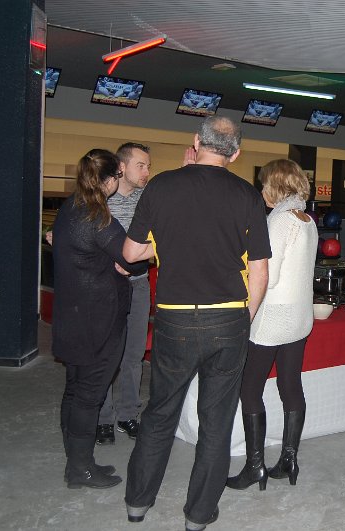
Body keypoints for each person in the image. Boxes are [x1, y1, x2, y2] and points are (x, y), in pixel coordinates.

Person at [122, 116, 271, 530]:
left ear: (195, 141)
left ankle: (137, 502)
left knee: (160, 413)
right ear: (236, 154)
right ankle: (199, 514)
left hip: (175, 318)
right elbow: (260, 270)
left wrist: (162, 243)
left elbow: (131, 253)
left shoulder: (161, 186)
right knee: (216, 421)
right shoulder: (247, 195)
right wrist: (244, 317)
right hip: (229, 317)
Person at [52, 149, 146, 489]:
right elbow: (132, 258)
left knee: (75, 389)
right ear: (110, 180)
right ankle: (81, 469)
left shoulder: (70, 208)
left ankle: (77, 461)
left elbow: (93, 256)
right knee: (89, 395)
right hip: (98, 319)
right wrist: (156, 247)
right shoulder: (99, 216)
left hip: (73, 315)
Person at [226, 159, 318, 491]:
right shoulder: (307, 219)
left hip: (273, 319)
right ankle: (289, 460)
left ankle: (255, 467)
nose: (261, 189)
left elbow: (269, 277)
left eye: (264, 183)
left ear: (276, 185)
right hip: (299, 318)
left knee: (249, 388)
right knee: (290, 385)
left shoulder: (278, 221)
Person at [96, 142, 152, 445]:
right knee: (106, 353)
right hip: (106, 287)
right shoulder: (102, 198)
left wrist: (138, 260)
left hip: (139, 285)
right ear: (122, 166)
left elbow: (160, 241)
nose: (146, 172)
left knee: (133, 354)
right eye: (140, 165)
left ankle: (128, 413)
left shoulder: (148, 200)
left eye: (148, 166)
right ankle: (103, 418)